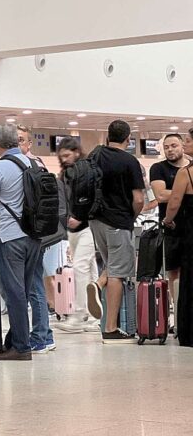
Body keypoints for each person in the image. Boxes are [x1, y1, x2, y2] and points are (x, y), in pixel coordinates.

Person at [83, 120, 145, 344]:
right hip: (118, 221)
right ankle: (110, 328)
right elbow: (138, 198)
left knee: (112, 265)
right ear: (128, 138)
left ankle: (98, 282)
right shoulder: (129, 161)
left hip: (95, 220)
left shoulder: (95, 155)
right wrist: (132, 217)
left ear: (108, 136)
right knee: (119, 273)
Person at [0, 123, 41, 361]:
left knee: (14, 294)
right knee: (24, 291)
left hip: (9, 238)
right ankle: (14, 341)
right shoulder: (35, 164)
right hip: (34, 237)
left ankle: (21, 346)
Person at [55, 137, 99, 333]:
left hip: (88, 227)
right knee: (88, 269)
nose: (64, 159)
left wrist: (81, 217)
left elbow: (93, 199)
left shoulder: (88, 172)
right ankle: (94, 315)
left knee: (81, 267)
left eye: (67, 155)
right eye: (61, 156)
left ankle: (79, 313)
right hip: (73, 229)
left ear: (76, 152)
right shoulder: (64, 176)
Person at [16, 125, 54, 353]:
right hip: (34, 232)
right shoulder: (36, 164)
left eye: (21, 140)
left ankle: (40, 335)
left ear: (29, 144)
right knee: (33, 283)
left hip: (31, 233)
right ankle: (44, 334)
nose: (18, 144)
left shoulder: (32, 165)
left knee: (33, 286)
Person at [150, 134, 190, 317]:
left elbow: (169, 195)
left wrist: (175, 192)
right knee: (173, 270)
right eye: (166, 147)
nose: (170, 150)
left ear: (182, 145)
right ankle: (176, 310)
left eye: (174, 145)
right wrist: (184, 189)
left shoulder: (189, 167)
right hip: (171, 226)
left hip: (188, 225)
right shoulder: (158, 169)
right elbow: (160, 196)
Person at [160, 127, 193, 347]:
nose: (187, 144)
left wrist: (168, 220)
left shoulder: (186, 173)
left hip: (190, 230)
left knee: (189, 280)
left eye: (189, 141)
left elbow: (174, 202)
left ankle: (188, 331)